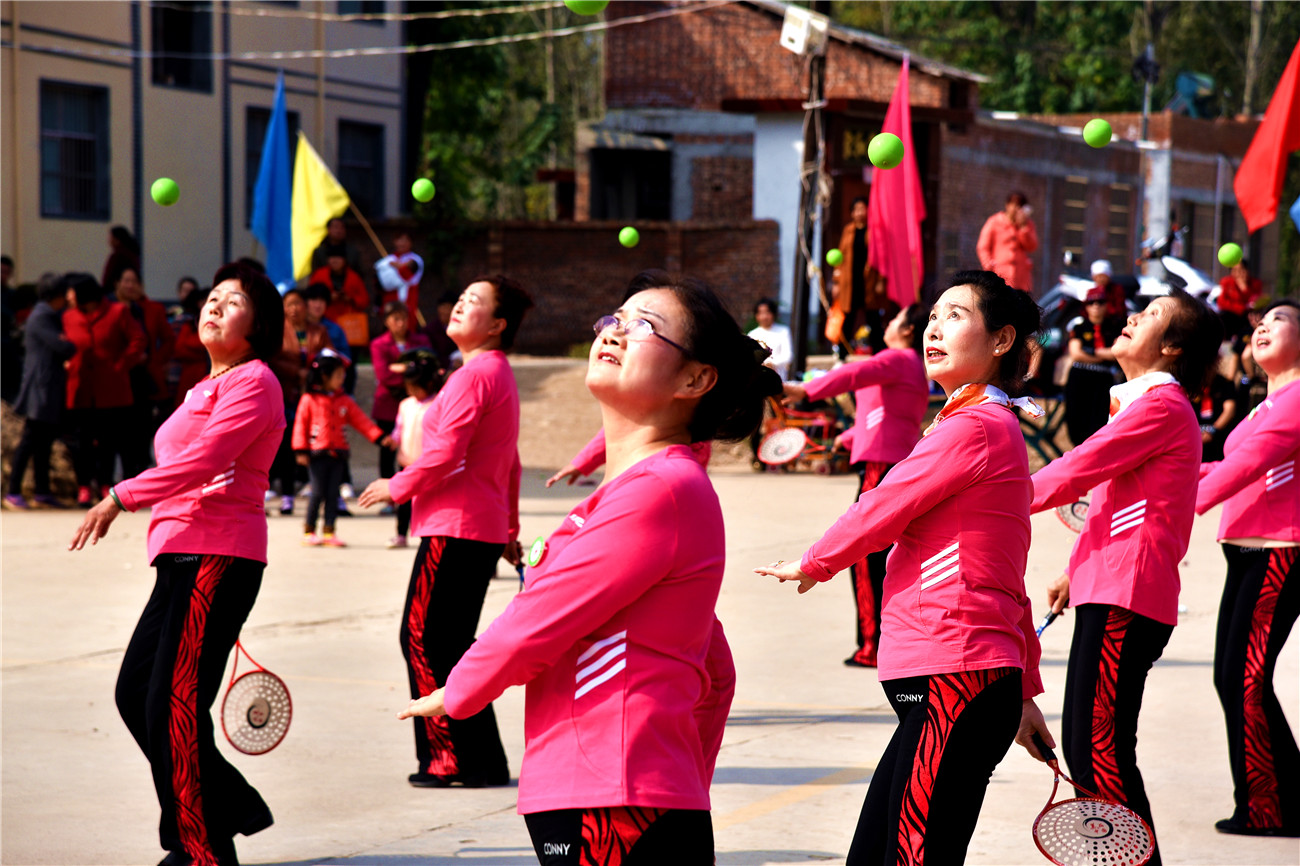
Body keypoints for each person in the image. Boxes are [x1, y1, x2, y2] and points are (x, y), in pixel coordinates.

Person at [398, 275, 780, 864]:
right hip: (610, 791)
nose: (616, 332)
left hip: (618, 796)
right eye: (614, 319)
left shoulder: (663, 490)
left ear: (695, 379)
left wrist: (460, 688)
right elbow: (715, 668)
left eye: (645, 326)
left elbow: (538, 618)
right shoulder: (627, 496)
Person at [756, 270, 1051, 865]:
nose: (934, 327)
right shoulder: (974, 422)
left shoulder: (975, 426)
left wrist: (818, 562)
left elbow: (886, 502)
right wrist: (1023, 691)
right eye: (933, 315)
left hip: (956, 677)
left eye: (956, 315)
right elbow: (1003, 572)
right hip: (964, 682)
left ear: (1001, 341)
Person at [68, 261, 286, 866]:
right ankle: (230, 805)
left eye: (232, 300)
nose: (214, 305)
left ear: (259, 322)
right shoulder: (202, 386)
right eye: (211, 297)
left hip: (219, 554)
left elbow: (207, 457)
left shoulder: (256, 382)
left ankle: (203, 848)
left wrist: (120, 496)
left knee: (171, 702)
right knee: (137, 692)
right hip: (180, 557)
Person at [1030, 290, 1223, 866]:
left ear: (1170, 347)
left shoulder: (1160, 406)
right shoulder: (1141, 403)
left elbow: (1078, 467)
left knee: (1099, 749)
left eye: (1153, 315)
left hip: (1127, 596)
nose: (1133, 315)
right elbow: (1120, 503)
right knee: (1093, 747)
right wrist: (1077, 567)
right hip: (1111, 585)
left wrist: (992, 498)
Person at [359, 275, 534, 789]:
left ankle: (450, 759)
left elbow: (446, 454)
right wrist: (508, 526)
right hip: (475, 526)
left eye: (474, 303)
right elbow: (511, 464)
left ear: (497, 325)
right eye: (459, 298)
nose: (460, 306)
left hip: (456, 525)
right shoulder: (494, 374)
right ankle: (482, 760)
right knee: (452, 644)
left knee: (424, 638)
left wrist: (399, 484)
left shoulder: (473, 376)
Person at [1195, 298, 1300, 838]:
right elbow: (1230, 461)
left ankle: (1272, 807)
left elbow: (1250, 463)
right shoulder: (1264, 405)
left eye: (1278, 320)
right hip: (1245, 549)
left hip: (1280, 548)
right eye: (1259, 322)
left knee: (1245, 679)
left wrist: (1177, 502)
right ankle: (1283, 798)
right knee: (1233, 677)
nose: (1262, 326)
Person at [780, 303, 930, 668]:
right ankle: (891, 640)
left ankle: (872, 646)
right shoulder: (908, 365)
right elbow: (886, 415)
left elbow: (855, 374)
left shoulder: (897, 358)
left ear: (908, 330)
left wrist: (804, 391)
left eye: (895, 319)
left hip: (882, 466)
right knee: (885, 557)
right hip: (889, 460)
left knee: (864, 557)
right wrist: (849, 437)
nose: (889, 322)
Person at [62, 274, 147, 506]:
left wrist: (121, 365)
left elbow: (138, 339)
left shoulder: (117, 312)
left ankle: (106, 484)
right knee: (82, 442)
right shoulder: (69, 317)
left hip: (111, 390)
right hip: (80, 388)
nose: (68, 296)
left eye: (72, 292)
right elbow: (62, 342)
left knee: (109, 441)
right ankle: (83, 487)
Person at [293, 351, 392, 547]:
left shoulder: (344, 401)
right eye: (338, 375)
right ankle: (309, 529)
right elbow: (300, 425)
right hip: (317, 453)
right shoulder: (309, 399)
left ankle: (330, 531)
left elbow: (362, 422)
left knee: (333, 493)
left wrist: (380, 438)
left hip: (338, 453)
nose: (342, 379)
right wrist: (300, 450)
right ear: (324, 376)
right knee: (317, 492)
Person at [5, 273, 77, 510]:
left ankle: (42, 490)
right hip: (40, 388)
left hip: (46, 387)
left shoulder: (45, 315)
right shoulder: (43, 316)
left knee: (43, 441)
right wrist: (68, 342)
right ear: (56, 295)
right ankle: (14, 491)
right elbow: (63, 346)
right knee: (30, 440)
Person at [268, 288, 329, 515]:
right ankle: (286, 496)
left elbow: (329, 355)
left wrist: (313, 372)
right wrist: (296, 372)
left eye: (298, 304)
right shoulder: (277, 332)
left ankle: (321, 494)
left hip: (313, 396)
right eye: (289, 304)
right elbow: (272, 359)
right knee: (286, 447)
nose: (294, 309)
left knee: (315, 444)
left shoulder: (319, 331)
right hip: (286, 396)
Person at [115, 265, 177, 478]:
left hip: (143, 375)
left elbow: (168, 339)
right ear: (117, 284)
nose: (130, 286)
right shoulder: (110, 308)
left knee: (142, 427)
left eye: (134, 281)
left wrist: (155, 360)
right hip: (119, 375)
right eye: (126, 281)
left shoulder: (150, 309)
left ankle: (140, 474)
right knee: (120, 428)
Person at [370, 302, 433, 505]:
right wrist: (412, 372)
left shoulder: (420, 340)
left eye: (404, 318)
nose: (401, 323)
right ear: (386, 321)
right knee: (388, 452)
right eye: (395, 318)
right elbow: (385, 375)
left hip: (419, 405)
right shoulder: (379, 344)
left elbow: (429, 367)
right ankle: (389, 498)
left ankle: (410, 494)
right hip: (389, 405)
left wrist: (400, 368)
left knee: (414, 451)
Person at [390, 350, 443, 548]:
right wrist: (393, 440)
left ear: (428, 384)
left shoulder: (437, 403)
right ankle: (401, 534)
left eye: (415, 387)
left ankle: (426, 535)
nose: (411, 391)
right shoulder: (405, 404)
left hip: (426, 463)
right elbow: (399, 427)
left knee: (425, 502)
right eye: (408, 387)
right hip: (406, 460)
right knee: (403, 501)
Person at [1064, 285, 1124, 446]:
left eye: (1100, 302)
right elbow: (1076, 353)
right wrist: (1102, 356)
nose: (1096, 306)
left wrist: (1091, 352)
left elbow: (1116, 352)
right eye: (1091, 303)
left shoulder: (1115, 327)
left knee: (1099, 423)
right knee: (1077, 421)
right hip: (1080, 379)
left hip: (1103, 382)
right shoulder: (1079, 327)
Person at [829, 196, 887, 351]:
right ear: (852, 213)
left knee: (873, 319)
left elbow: (881, 256)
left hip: (868, 282)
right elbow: (839, 257)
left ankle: (879, 352)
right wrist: (836, 282)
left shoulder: (874, 230)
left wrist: (881, 280)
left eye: (862, 209)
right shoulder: (848, 231)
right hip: (850, 281)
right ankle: (841, 352)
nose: (859, 213)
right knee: (848, 318)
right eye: (856, 209)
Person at [977, 191, 1039, 293]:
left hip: (1021, 279)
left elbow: (1032, 246)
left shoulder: (1027, 224)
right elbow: (983, 247)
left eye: (1020, 207)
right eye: (1014, 205)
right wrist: (989, 267)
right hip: (1000, 275)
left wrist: (1023, 227)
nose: (1016, 209)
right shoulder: (994, 221)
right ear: (1007, 205)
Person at [171, 288, 212, 410]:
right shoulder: (189, 323)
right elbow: (179, 350)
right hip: (190, 376)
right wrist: (203, 353)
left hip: (208, 374)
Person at [309, 249, 369, 328]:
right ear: (327, 260)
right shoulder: (319, 275)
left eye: (338, 258)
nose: (335, 261)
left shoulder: (354, 277)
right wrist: (328, 298)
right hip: (324, 320)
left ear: (344, 260)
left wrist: (351, 299)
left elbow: (365, 300)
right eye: (332, 258)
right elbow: (310, 297)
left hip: (350, 322)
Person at [376, 232, 424, 322]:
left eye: (405, 240)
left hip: (407, 302)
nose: (402, 243)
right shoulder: (389, 259)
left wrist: (398, 266)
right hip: (389, 302)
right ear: (395, 242)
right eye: (399, 240)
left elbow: (407, 276)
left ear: (411, 242)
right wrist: (401, 266)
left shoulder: (416, 259)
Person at [747, 297, 793, 382]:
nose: (764, 317)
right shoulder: (752, 334)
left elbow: (788, 356)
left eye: (767, 312)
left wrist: (773, 363)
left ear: (773, 314)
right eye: (761, 313)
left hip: (779, 379)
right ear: (756, 316)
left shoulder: (783, 331)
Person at [1218, 259, 1265, 340]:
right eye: (1235, 270)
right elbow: (1222, 302)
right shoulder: (1226, 282)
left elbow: (1256, 301)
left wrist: (1245, 289)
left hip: (1247, 316)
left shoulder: (1255, 284)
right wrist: (1241, 308)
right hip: (1232, 314)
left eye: (1242, 270)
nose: (1239, 273)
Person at [102, 225, 141, 295]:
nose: (109, 241)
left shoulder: (117, 255)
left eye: (111, 238)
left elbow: (108, 276)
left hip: (114, 292)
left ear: (117, 240)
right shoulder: (132, 254)